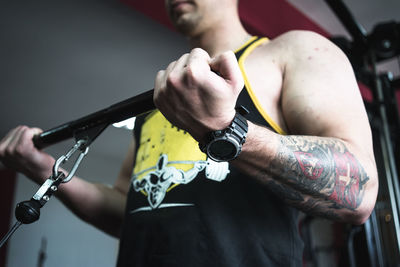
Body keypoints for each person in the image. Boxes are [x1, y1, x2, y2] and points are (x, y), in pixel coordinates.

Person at [0, 0, 378, 266]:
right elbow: (126, 207)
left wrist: (229, 130)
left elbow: (359, 191)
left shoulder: (292, 52)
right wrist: (45, 171)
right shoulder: (161, 101)